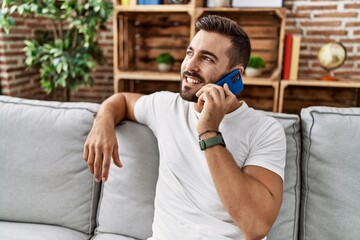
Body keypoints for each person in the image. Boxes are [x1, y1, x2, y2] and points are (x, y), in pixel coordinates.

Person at [83, 15, 286, 240]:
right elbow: (121, 100)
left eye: (206, 58)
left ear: (235, 75)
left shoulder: (265, 130)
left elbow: (255, 226)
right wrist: (102, 123)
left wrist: (209, 132)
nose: (189, 66)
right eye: (190, 53)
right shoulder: (167, 106)